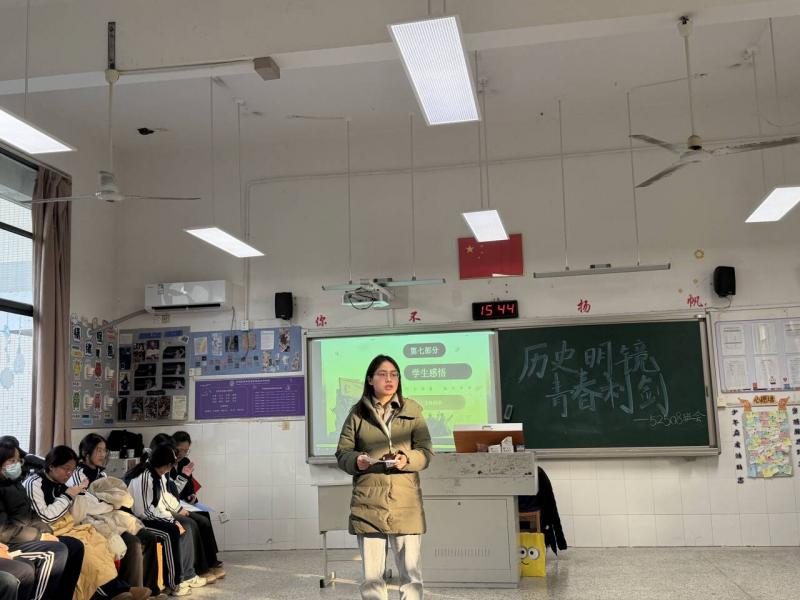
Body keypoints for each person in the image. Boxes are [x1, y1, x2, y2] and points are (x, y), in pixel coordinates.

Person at [336, 354, 434, 600]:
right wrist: (356, 460)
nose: (389, 379)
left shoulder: (412, 411)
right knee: (372, 578)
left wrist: (406, 459)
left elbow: (426, 452)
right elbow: (343, 453)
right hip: (368, 502)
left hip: (405, 502)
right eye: (382, 374)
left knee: (411, 576)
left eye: (394, 374)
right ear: (370, 380)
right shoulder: (357, 414)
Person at [24, 446, 151, 600]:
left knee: (99, 542)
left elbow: (77, 514)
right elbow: (46, 517)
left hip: (69, 527)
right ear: (51, 466)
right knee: (86, 550)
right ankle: (114, 593)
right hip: (47, 530)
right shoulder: (34, 483)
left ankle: (120, 589)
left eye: (72, 470)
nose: (69, 474)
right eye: (66, 469)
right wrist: (68, 496)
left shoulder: (63, 483)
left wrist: (80, 495)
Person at [70, 434, 164, 596]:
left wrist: (113, 502)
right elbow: (88, 506)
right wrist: (109, 504)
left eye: (104, 450)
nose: (102, 454)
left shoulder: (102, 474)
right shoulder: (77, 475)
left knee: (148, 537)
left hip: (112, 517)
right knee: (133, 543)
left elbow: (115, 496)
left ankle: (151, 591)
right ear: (85, 452)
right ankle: (131, 593)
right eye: (98, 450)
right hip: (92, 521)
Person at [0, 440, 80, 600]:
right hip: (10, 539)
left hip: (22, 534)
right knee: (55, 552)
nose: (17, 465)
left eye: (18, 460)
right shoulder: (30, 483)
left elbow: (30, 515)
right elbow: (4, 530)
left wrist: (46, 531)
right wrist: (39, 536)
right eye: (11, 461)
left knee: (75, 545)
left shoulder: (15, 483)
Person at [126, 445, 204, 596]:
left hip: (151, 515)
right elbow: (143, 512)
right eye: (170, 465)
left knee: (180, 526)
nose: (171, 468)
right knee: (170, 533)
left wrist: (177, 511)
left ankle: (182, 577)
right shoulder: (145, 476)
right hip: (138, 519)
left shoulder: (158, 473)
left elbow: (165, 497)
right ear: (165, 464)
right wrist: (170, 521)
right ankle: (174, 583)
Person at [169, 433, 223, 581]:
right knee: (198, 522)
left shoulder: (185, 462)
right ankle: (202, 565)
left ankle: (212, 560)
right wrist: (183, 477)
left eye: (186, 450)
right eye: (180, 449)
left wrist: (192, 495)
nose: (182, 454)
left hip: (183, 502)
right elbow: (172, 492)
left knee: (205, 514)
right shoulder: (167, 464)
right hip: (173, 504)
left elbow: (189, 487)